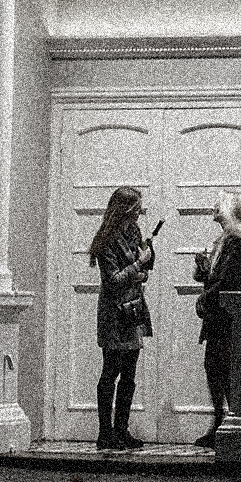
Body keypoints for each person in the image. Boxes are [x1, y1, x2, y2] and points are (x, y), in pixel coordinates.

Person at [88, 186, 155, 451]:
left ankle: (121, 430)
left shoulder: (134, 233)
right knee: (110, 371)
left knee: (129, 374)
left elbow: (142, 272)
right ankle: (105, 433)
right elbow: (113, 280)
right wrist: (139, 266)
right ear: (125, 209)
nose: (140, 213)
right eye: (136, 207)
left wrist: (145, 261)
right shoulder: (106, 241)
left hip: (133, 310)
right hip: (115, 313)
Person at [190, 192, 241, 448]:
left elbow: (228, 281)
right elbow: (216, 278)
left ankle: (227, 423)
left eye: (220, 202)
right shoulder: (224, 240)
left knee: (221, 369)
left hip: (225, 318)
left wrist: (206, 295)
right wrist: (204, 271)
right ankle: (223, 422)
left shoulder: (236, 242)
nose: (214, 205)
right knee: (216, 368)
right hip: (220, 316)